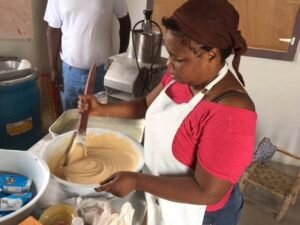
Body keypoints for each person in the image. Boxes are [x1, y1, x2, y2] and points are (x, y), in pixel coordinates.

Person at [78, 0, 257, 224]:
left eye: (178, 59)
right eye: (169, 54)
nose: (169, 66)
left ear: (211, 54)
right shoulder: (183, 76)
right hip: (166, 198)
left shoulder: (231, 114)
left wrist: (137, 181)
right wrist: (101, 109)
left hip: (202, 215)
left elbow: (208, 192)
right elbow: (145, 106)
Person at [44, 0, 131, 111]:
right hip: (70, 75)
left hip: (101, 72)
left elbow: (125, 22)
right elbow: (53, 30)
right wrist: (52, 67)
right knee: (69, 119)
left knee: (98, 120)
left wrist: (120, 57)